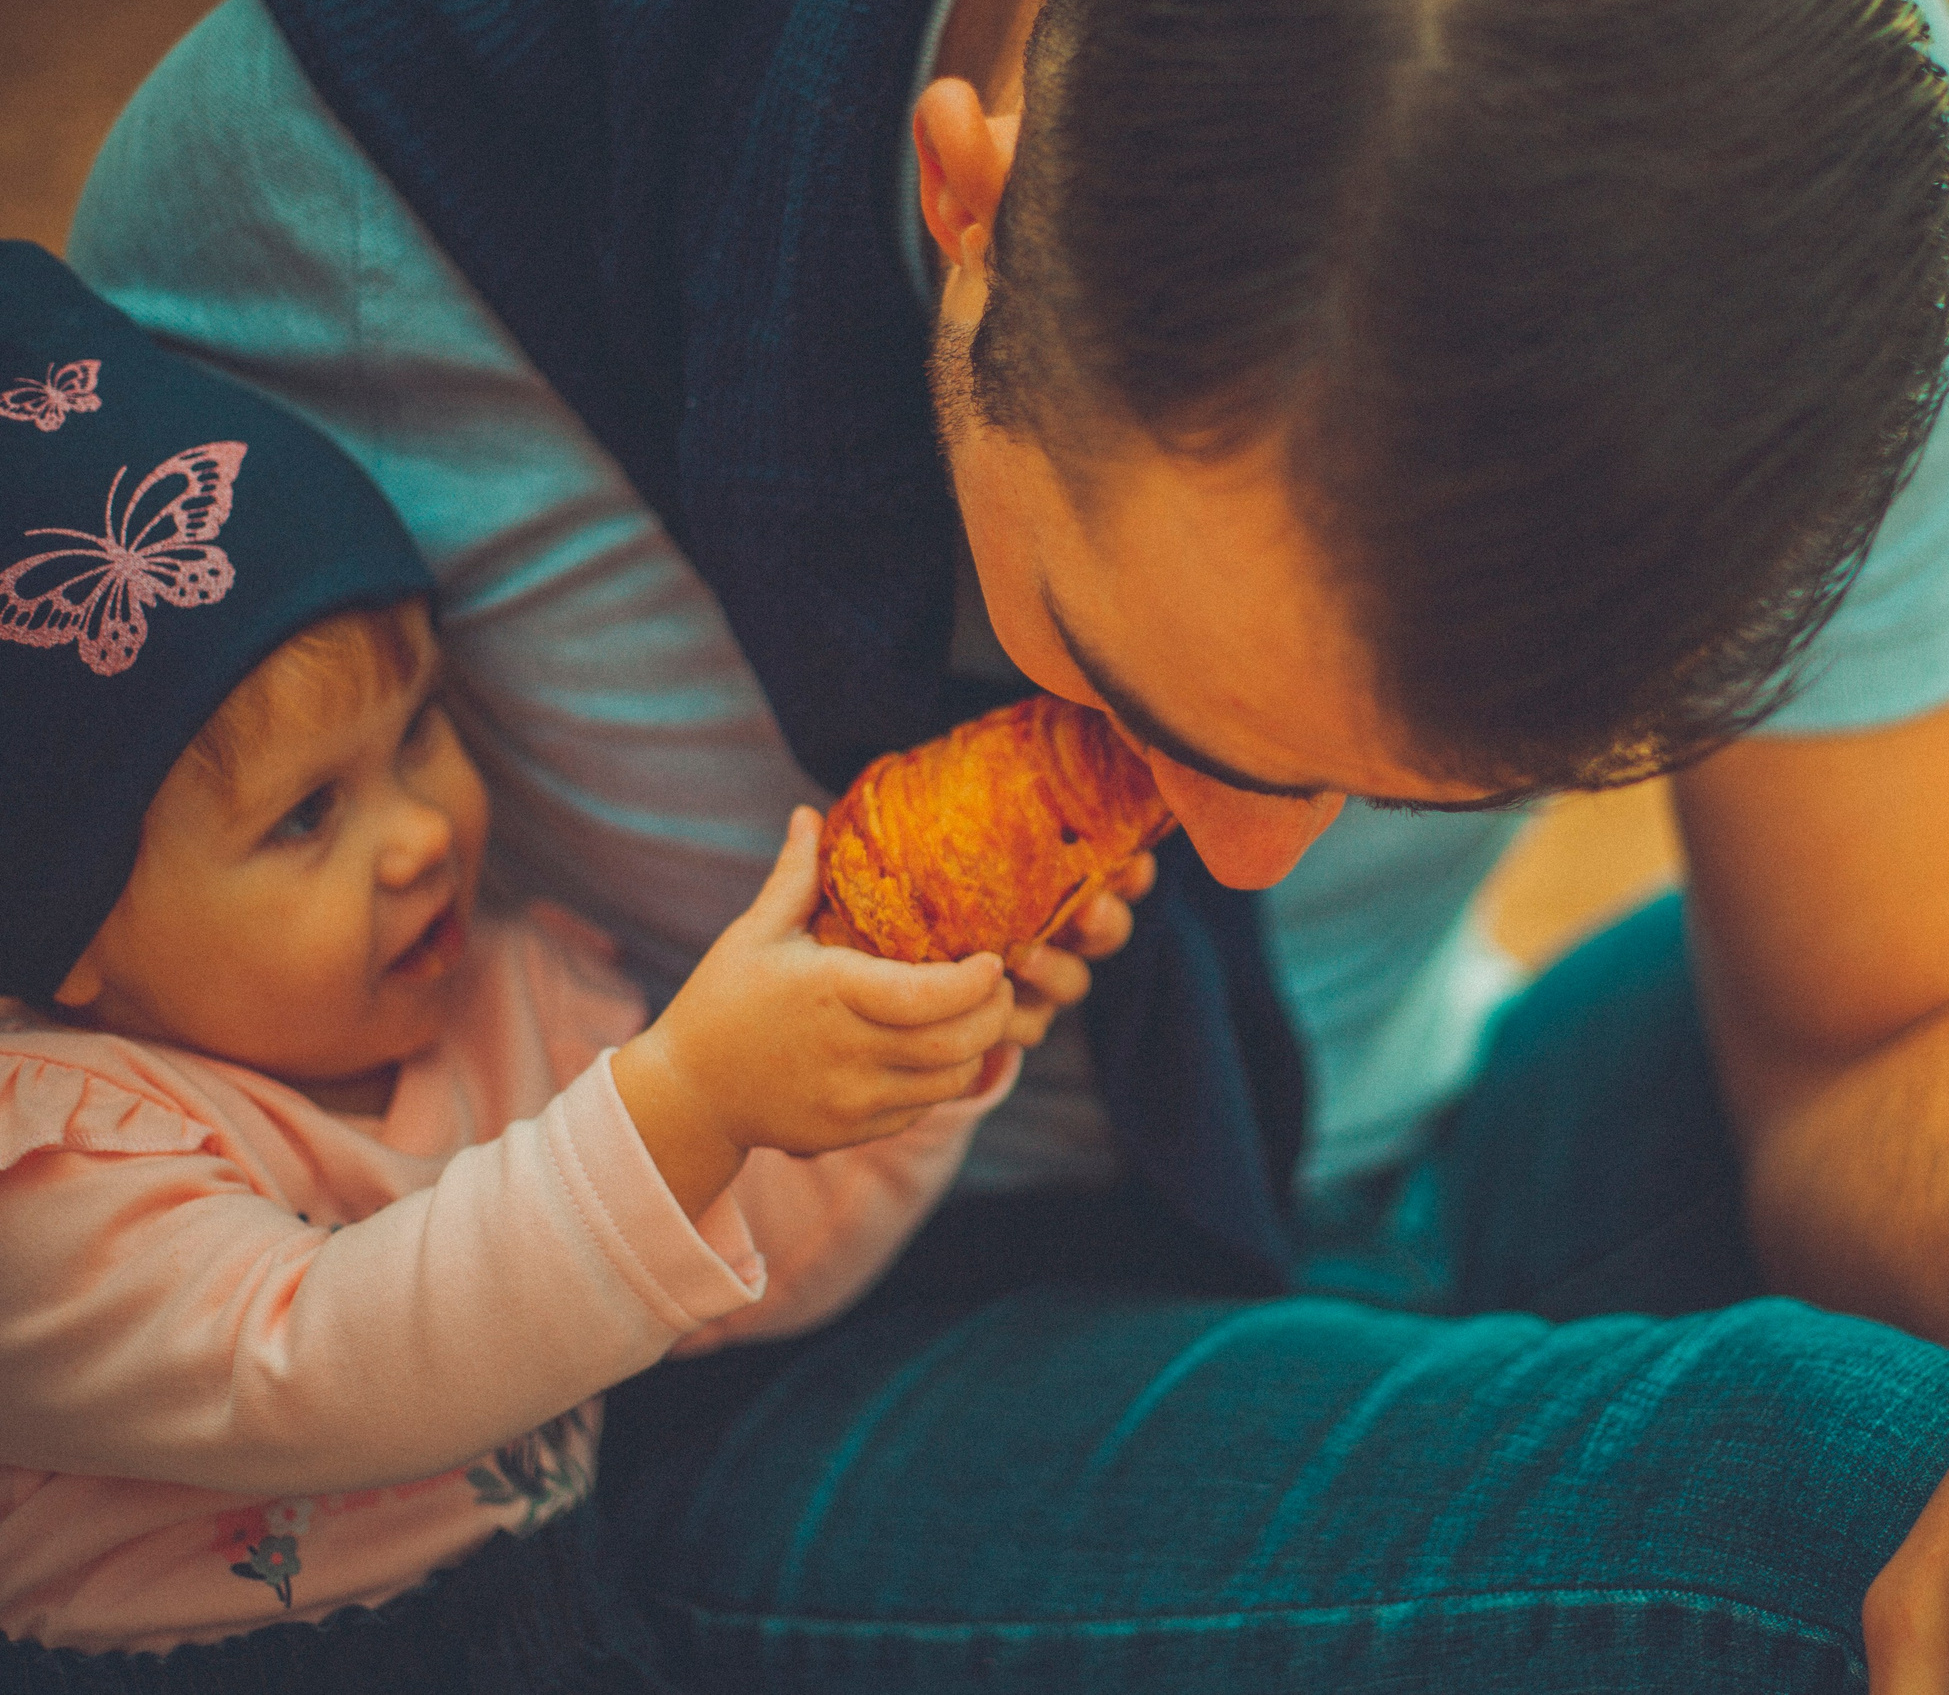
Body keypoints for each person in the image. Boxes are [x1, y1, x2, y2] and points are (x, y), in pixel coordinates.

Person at [59, 0, 1949, 1691]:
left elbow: (1891, 1019)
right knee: (1898, 1521)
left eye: (1430, 776)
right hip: (737, 1368)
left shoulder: (1772, 209)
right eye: (1127, 684)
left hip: (1403, 1170)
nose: (1248, 874)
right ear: (970, 179)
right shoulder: (342, 201)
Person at [0, 240, 1142, 1678]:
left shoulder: (511, 999)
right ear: (75, 926)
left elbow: (745, 1262)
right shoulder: (49, 1165)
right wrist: (687, 1104)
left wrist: (909, 1051)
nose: (419, 834)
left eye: (419, 728)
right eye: (306, 815)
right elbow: (312, 1367)